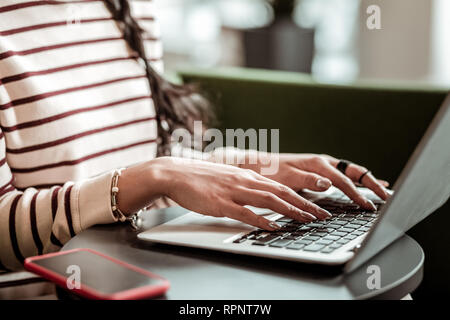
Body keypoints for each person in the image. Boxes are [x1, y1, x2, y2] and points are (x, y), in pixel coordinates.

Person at [0, 0, 389, 271]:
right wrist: (156, 175)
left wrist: (254, 169)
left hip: (152, 266)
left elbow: (157, 160)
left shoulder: (129, 7)